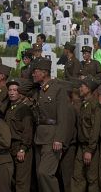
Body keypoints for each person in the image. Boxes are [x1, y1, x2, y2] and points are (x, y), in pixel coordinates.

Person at [32, 59, 71, 192]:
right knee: (39, 175)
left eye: (35, 72)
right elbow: (22, 88)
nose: (33, 74)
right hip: (40, 137)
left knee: (45, 173)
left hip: (52, 137)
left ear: (44, 73)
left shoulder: (58, 88)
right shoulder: (38, 90)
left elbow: (63, 116)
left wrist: (59, 138)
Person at [5, 78, 34, 192]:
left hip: (21, 147)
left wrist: (23, 149)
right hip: (10, 147)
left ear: (20, 92)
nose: (12, 92)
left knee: (22, 181)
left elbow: (28, 130)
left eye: (15, 90)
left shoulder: (24, 109)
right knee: (12, 179)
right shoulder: (9, 108)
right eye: (10, 90)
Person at [72, 76, 101, 192]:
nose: (80, 88)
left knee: (92, 178)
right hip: (81, 146)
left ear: (88, 89)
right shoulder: (84, 104)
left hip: (90, 147)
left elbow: (95, 129)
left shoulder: (95, 106)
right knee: (77, 176)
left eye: (82, 86)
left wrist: (90, 150)